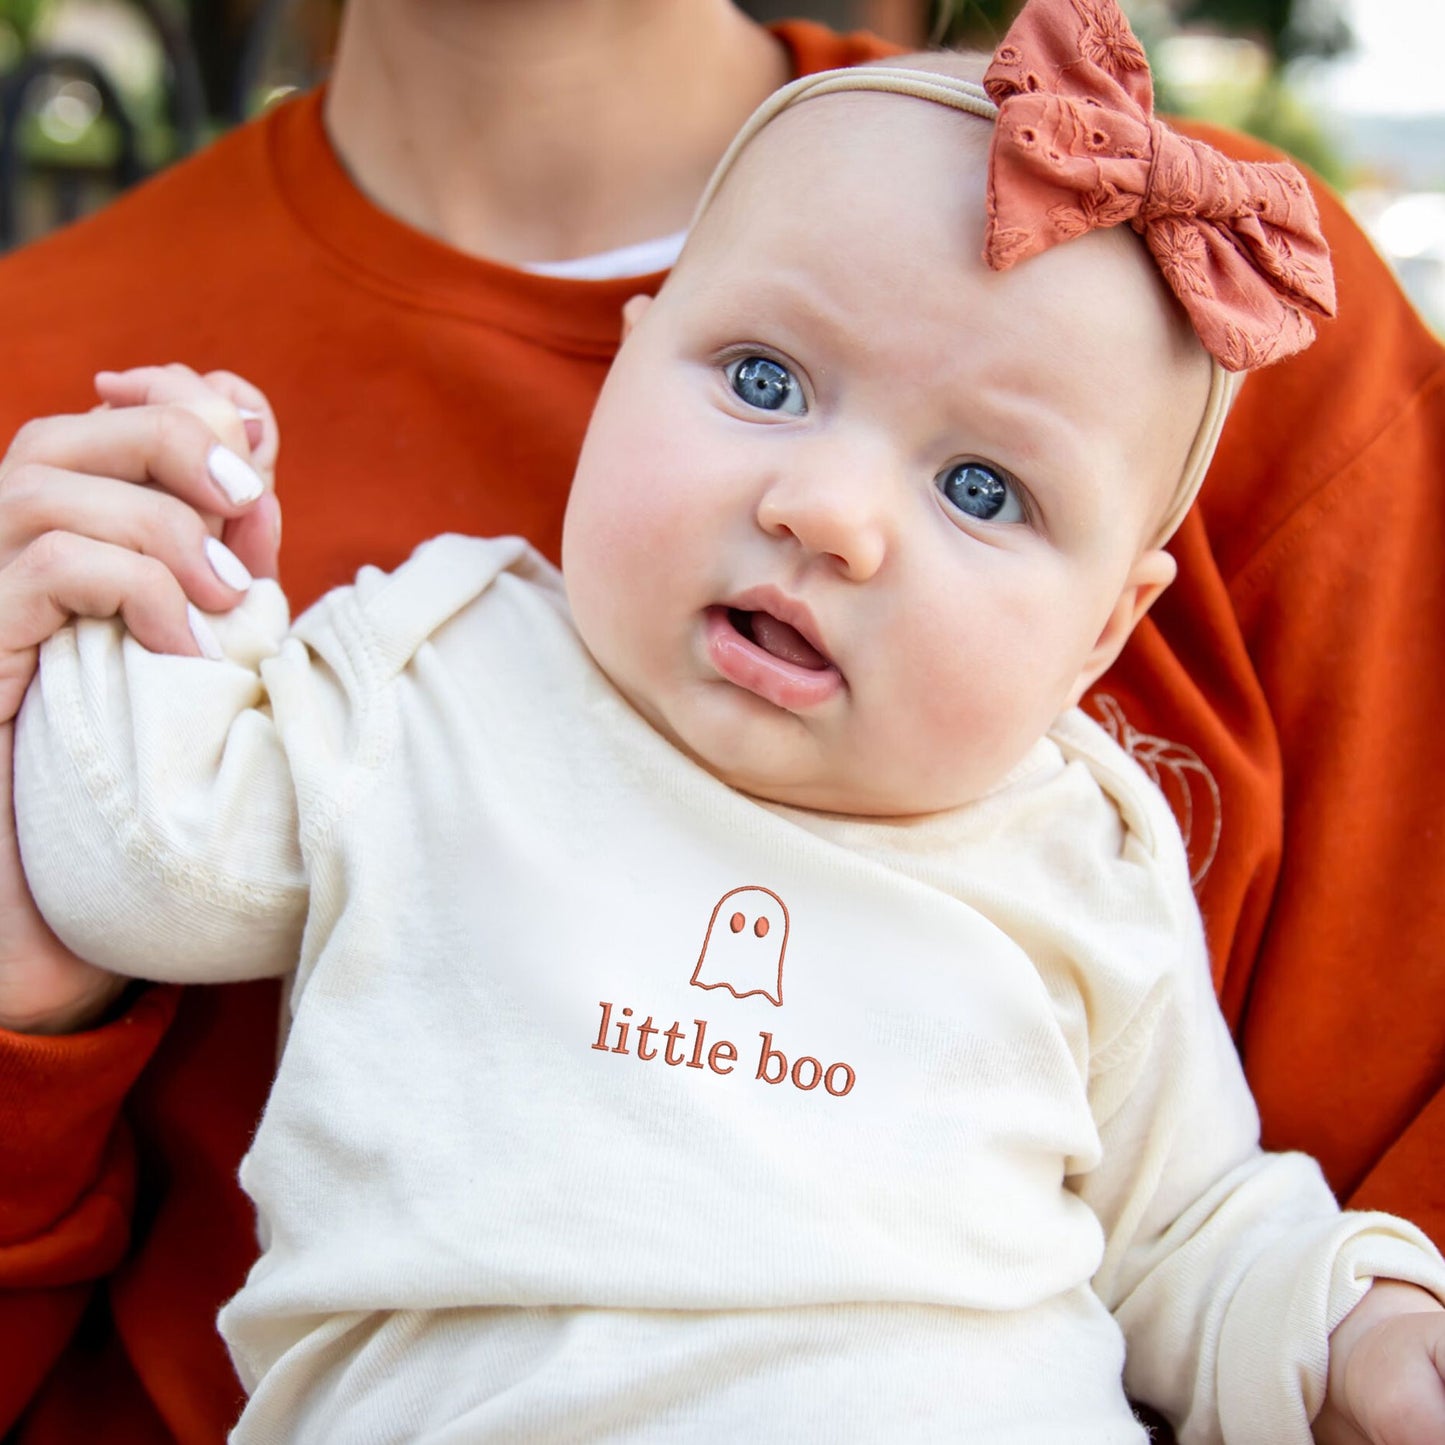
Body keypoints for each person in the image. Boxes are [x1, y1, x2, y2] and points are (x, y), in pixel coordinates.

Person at [0, 2, 1442, 1442]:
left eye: (982, 491)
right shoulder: (434, 665)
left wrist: (1359, 1322)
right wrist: (167, 611)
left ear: (1107, 631)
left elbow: (1193, 1227)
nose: (826, 512)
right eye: (761, 383)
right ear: (624, 363)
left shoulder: (1074, 836)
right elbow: (153, 855)